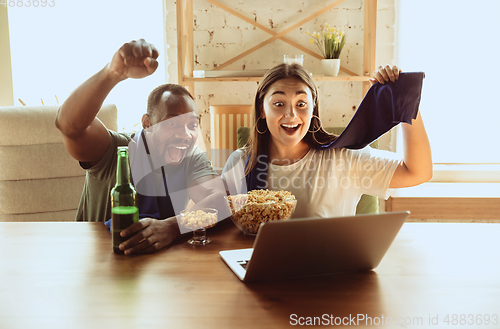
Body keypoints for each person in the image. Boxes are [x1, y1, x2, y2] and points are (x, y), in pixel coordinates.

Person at [56, 39, 228, 255]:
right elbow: (69, 125)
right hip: (95, 258)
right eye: (172, 123)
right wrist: (113, 73)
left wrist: (172, 227)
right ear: (147, 124)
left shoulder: (192, 158)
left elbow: (220, 200)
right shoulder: (115, 150)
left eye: (192, 125)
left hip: (158, 265)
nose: (185, 134)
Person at [222, 63, 432, 218]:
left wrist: (405, 98)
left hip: (329, 272)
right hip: (259, 271)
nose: (291, 114)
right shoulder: (241, 163)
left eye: (301, 103)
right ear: (262, 110)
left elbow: (418, 172)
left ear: (313, 109)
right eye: (278, 103)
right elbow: (224, 226)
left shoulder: (345, 158)